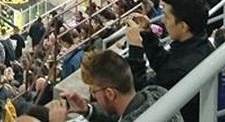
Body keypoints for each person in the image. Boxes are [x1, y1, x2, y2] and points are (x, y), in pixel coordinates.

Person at [126, 0, 214, 122]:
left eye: (167, 17)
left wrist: (135, 49)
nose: (163, 20)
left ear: (183, 26)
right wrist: (147, 34)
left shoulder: (181, 68)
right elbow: (164, 65)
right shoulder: (200, 45)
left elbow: (142, 94)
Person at [47, 49, 181, 122]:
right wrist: (87, 110)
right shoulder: (157, 93)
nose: (94, 97)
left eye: (93, 91)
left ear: (110, 93)